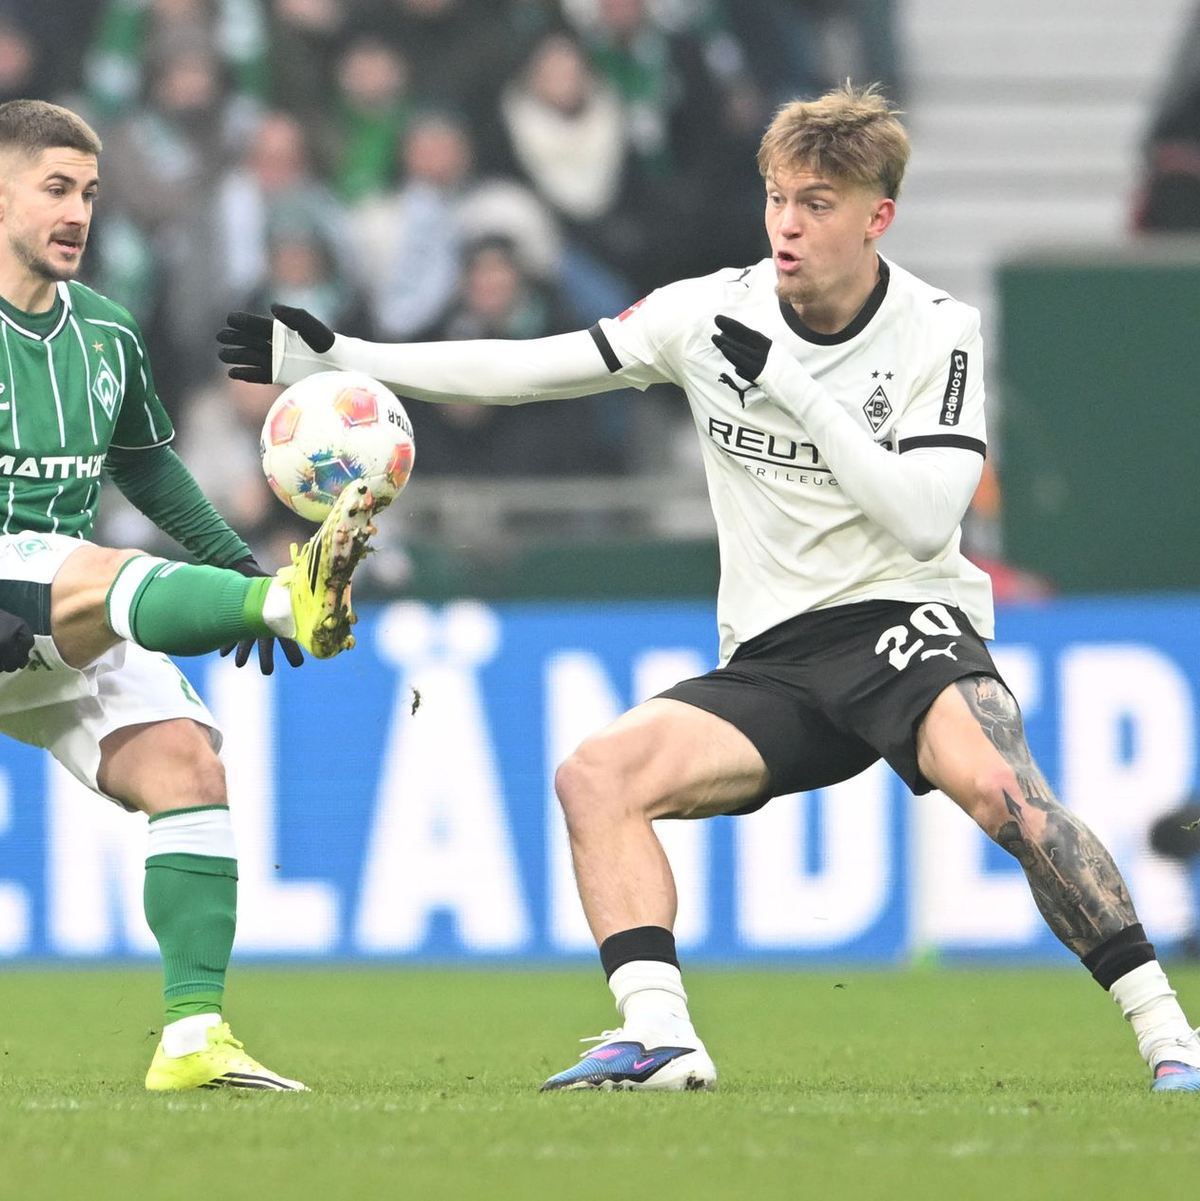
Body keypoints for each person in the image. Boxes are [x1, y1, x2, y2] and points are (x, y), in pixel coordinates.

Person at [217, 83, 1200, 1095]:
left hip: (906, 625)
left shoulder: (936, 330)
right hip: (776, 657)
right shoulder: (703, 312)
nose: (788, 222)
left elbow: (920, 518)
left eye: (818, 203)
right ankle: (661, 1034)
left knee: (1005, 794)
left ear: (878, 216)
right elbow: (531, 367)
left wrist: (793, 386)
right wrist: (342, 355)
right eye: (778, 196)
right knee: (594, 776)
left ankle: (1171, 1034)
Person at [0, 98, 379, 1091]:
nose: (78, 210)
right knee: (107, 574)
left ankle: (191, 1038)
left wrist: (235, 568)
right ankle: (293, 603)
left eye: (87, 191)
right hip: (37, 583)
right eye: (53, 189)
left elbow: (150, 469)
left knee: (188, 768)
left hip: (48, 603)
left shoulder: (109, 333)